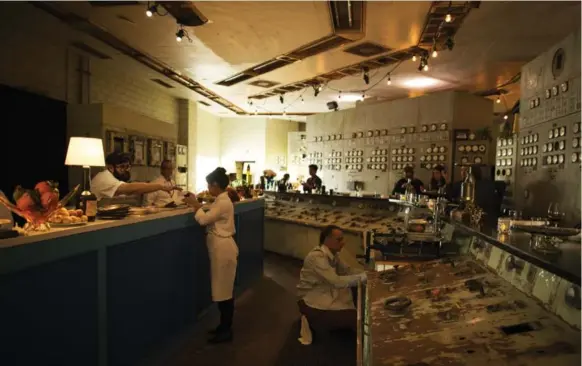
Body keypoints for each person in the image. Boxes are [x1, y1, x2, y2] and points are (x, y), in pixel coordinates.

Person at [183, 167, 238, 344]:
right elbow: (210, 214)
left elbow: (204, 220)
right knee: (223, 290)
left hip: (223, 249)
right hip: (222, 248)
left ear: (215, 185)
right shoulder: (222, 200)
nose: (208, 188)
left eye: (209, 185)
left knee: (225, 292)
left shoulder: (222, 202)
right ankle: (223, 327)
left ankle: (226, 330)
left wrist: (195, 205)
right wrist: (199, 205)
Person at [296, 225, 367, 333]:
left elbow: (348, 270)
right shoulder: (316, 257)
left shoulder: (333, 255)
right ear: (327, 240)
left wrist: (369, 273)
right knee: (356, 319)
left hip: (327, 294)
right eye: (339, 240)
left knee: (357, 295)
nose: (343, 243)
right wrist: (364, 277)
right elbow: (336, 282)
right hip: (314, 303)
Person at [90, 152, 180, 200]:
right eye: (121, 167)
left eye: (127, 166)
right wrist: (160, 186)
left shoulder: (114, 178)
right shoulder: (104, 177)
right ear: (110, 167)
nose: (125, 170)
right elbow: (130, 188)